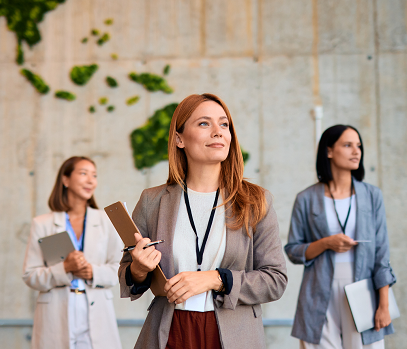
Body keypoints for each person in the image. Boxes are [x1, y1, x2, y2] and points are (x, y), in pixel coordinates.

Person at [118, 93, 288, 349]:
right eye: (204, 124)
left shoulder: (256, 201)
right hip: (169, 332)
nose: (218, 132)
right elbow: (128, 276)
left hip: (233, 335)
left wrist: (215, 279)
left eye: (224, 124)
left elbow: (275, 280)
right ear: (179, 139)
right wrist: (139, 270)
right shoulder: (152, 200)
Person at [285, 125, 396, 349]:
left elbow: (381, 253)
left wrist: (384, 304)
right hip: (318, 291)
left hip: (364, 290)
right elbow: (293, 250)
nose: (356, 151)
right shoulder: (306, 198)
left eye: (359, 146)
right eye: (347, 145)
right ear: (328, 151)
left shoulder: (371, 195)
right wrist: (326, 243)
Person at [23, 156, 123, 349]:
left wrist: (92, 272)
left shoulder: (107, 220)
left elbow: (120, 269)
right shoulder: (42, 223)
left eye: (94, 175)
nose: (90, 180)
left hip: (96, 309)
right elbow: (30, 275)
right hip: (55, 311)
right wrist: (65, 268)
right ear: (66, 180)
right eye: (83, 173)